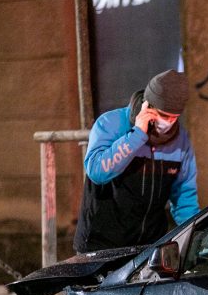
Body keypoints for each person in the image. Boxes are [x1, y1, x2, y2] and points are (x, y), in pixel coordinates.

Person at [74, 69, 200, 253]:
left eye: (174, 117)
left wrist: (197, 234)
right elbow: (97, 172)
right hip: (101, 245)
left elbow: (184, 198)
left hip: (148, 247)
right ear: (147, 106)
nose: (168, 123)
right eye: (163, 115)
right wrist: (137, 136)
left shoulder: (181, 141)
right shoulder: (110, 124)